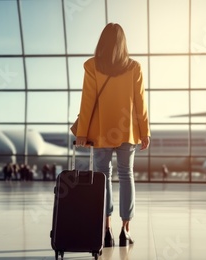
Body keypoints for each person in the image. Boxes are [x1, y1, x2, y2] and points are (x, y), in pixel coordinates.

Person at [75, 23, 150, 248]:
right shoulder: (134, 67)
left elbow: (87, 102)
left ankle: (105, 230)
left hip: (100, 132)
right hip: (127, 131)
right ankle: (124, 231)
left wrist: (82, 133)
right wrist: (144, 132)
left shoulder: (92, 66)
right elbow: (140, 103)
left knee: (102, 177)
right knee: (126, 175)